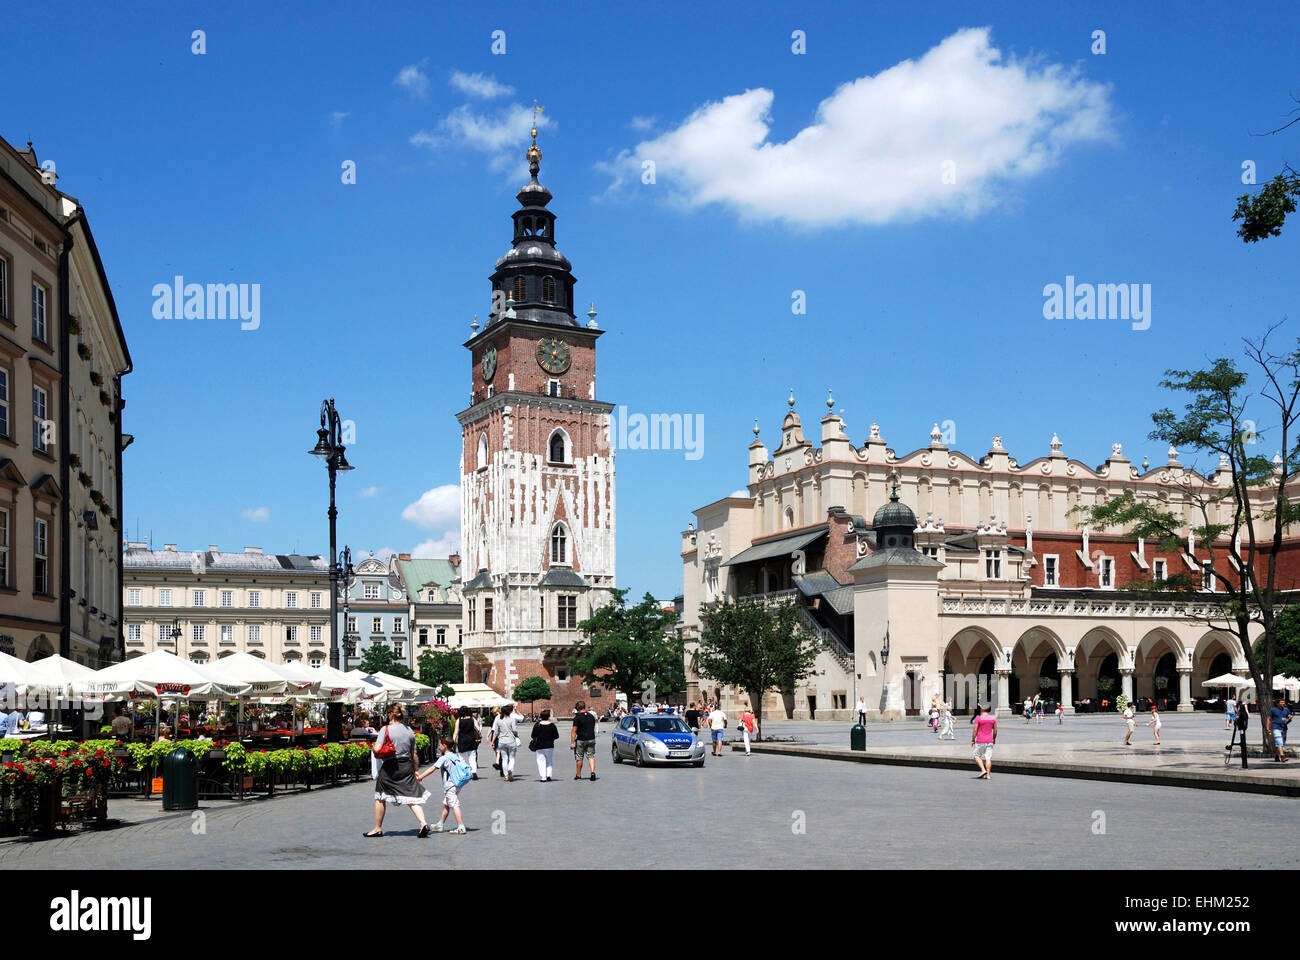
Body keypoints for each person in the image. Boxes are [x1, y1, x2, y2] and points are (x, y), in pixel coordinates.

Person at [365, 704, 431, 838]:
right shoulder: (409, 730)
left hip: (390, 767)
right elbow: (414, 754)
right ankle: (423, 823)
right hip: (406, 766)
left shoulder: (386, 729)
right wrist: (416, 770)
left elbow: (377, 749)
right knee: (411, 797)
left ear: (391, 715)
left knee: (380, 796)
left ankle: (377, 828)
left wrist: (373, 749)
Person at [417, 736, 468, 834]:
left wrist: (421, 777)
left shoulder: (444, 758)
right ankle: (440, 825)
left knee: (454, 805)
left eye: (440, 745)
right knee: (446, 804)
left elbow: (432, 768)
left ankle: (461, 827)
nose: (439, 746)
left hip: (450, 785)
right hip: (458, 784)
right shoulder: (455, 756)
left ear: (444, 746)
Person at [571, 700, 598, 780]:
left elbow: (574, 730)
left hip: (581, 739)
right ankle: (593, 772)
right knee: (591, 756)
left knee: (579, 757)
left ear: (578, 708)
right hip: (591, 738)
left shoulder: (577, 717)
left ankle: (578, 775)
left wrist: (572, 742)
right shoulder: (591, 716)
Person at [493, 704, 521, 782]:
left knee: (504, 758)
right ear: (509, 712)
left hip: (501, 741)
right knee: (511, 758)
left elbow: (495, 732)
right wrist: (517, 736)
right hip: (511, 741)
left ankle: (506, 776)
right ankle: (510, 769)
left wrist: (492, 741)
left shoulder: (498, 721)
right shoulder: (512, 720)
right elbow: (515, 730)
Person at [453, 705, 482, 780]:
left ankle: (464, 773)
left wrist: (453, 742)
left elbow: (455, 732)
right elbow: (478, 729)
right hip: (471, 740)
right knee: (472, 757)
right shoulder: (472, 719)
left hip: (462, 740)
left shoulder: (458, 720)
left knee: (462, 758)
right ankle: (474, 771)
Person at [531, 708, 560, 781]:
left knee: (541, 761)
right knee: (549, 760)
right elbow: (556, 736)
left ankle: (543, 777)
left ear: (540, 716)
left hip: (539, 746)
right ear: (549, 716)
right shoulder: (552, 725)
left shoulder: (537, 725)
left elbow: (533, 735)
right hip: (549, 745)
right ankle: (548, 775)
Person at [971, 704, 997, 779]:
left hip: (980, 740)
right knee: (988, 758)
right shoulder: (993, 718)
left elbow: (975, 730)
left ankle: (983, 770)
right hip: (989, 740)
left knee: (976, 755)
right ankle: (988, 775)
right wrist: (994, 739)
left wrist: (973, 739)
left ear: (982, 710)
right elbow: (995, 730)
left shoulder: (978, 718)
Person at [1267, 696, 1292, 762]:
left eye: (1284, 702)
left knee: (1282, 743)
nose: (1283, 703)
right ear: (1277, 703)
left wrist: (1289, 719)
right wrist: (1268, 728)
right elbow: (1269, 719)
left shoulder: (1286, 709)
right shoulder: (1273, 710)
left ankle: (1276, 756)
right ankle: (1282, 756)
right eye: (1281, 702)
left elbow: (1288, 719)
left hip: (1284, 728)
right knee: (1279, 741)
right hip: (1276, 728)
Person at [488, 706, 502, 773]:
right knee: (497, 750)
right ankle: (498, 762)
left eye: (493, 713)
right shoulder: (497, 717)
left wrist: (492, 740)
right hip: (499, 735)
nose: (493, 714)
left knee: (498, 750)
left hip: (497, 736)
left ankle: (498, 762)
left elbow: (494, 729)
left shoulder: (497, 717)